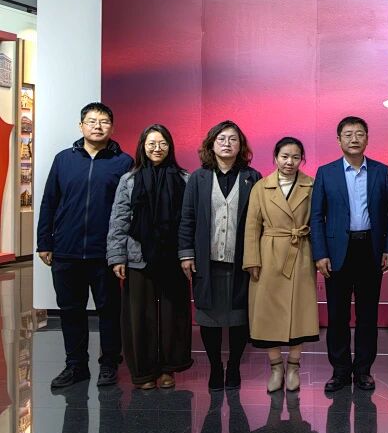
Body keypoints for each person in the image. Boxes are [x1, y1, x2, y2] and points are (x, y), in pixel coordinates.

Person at [39, 102, 133, 389]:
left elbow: (129, 210)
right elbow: (49, 201)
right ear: (81, 126)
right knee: (71, 311)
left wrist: (121, 250)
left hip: (105, 252)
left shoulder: (123, 162)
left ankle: (109, 364)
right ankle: (75, 365)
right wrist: (44, 242)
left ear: (112, 127)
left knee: (109, 311)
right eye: (91, 121)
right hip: (66, 250)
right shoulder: (63, 159)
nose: (97, 126)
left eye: (104, 121)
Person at [311, 116, 388, 392]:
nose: (354, 139)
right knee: (337, 316)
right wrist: (320, 253)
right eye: (348, 134)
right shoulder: (326, 173)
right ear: (339, 140)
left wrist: (387, 247)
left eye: (359, 134)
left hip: (370, 249)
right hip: (337, 253)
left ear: (367, 139)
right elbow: (316, 216)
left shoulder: (381, 171)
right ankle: (340, 371)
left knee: (367, 316)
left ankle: (363, 371)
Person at [106, 123, 192, 390]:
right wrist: (116, 256)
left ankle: (168, 368)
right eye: (152, 143)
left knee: (173, 315)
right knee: (139, 315)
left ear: (170, 147)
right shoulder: (129, 180)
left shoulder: (184, 178)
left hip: (173, 256)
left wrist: (188, 254)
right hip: (138, 256)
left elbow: (189, 221)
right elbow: (119, 219)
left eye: (163, 143)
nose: (157, 148)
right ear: (142, 147)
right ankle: (143, 372)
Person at [179, 120, 261, 391]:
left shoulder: (252, 177)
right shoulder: (198, 178)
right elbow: (187, 218)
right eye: (221, 139)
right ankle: (215, 366)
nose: (227, 143)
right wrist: (186, 254)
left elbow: (260, 221)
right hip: (207, 260)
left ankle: (234, 366)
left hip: (241, 261)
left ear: (241, 146)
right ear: (211, 144)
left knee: (239, 317)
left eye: (233, 139)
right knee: (209, 317)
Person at [244, 137, 320, 393]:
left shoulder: (311, 185)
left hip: (301, 252)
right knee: (267, 313)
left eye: (296, 157)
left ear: (302, 160)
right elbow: (252, 226)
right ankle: (276, 367)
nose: (290, 162)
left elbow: (318, 221)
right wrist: (252, 259)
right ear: (275, 158)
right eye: (285, 156)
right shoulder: (261, 186)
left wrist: (320, 256)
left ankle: (294, 367)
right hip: (269, 254)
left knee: (300, 312)